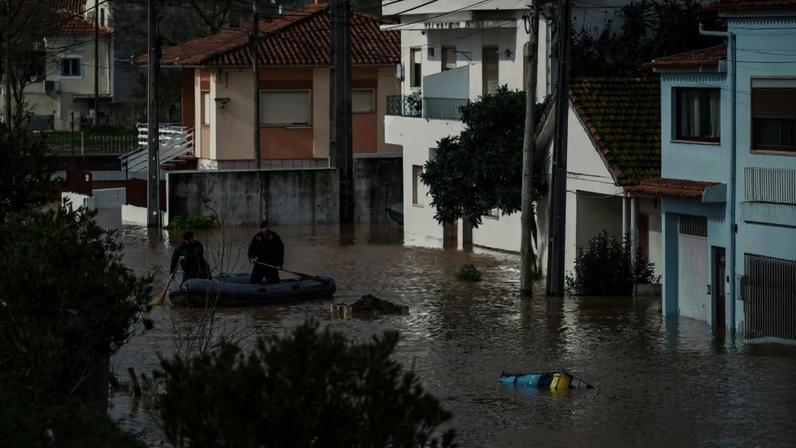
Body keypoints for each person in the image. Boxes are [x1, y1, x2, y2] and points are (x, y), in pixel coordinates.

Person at [248, 220, 284, 284]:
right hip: (260, 263)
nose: (266, 229)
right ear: (261, 229)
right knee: (253, 281)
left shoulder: (275, 237)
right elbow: (251, 250)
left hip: (271, 265)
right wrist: (251, 258)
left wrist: (280, 264)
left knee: (274, 282)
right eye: (264, 227)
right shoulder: (257, 237)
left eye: (268, 227)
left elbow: (281, 250)